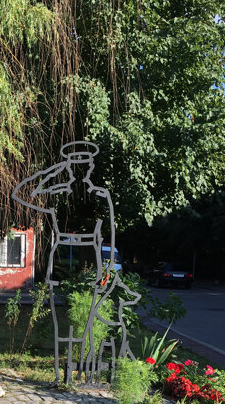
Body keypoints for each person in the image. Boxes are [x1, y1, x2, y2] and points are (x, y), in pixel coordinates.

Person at [12, 141, 140, 383]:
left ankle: (84, 370)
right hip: (62, 251)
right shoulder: (57, 193)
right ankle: (63, 374)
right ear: (68, 168)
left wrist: (109, 272)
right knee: (59, 320)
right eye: (74, 165)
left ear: (91, 167)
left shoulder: (102, 195)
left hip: (92, 251)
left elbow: (111, 234)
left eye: (85, 165)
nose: (80, 170)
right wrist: (50, 172)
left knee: (90, 317)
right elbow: (21, 193)